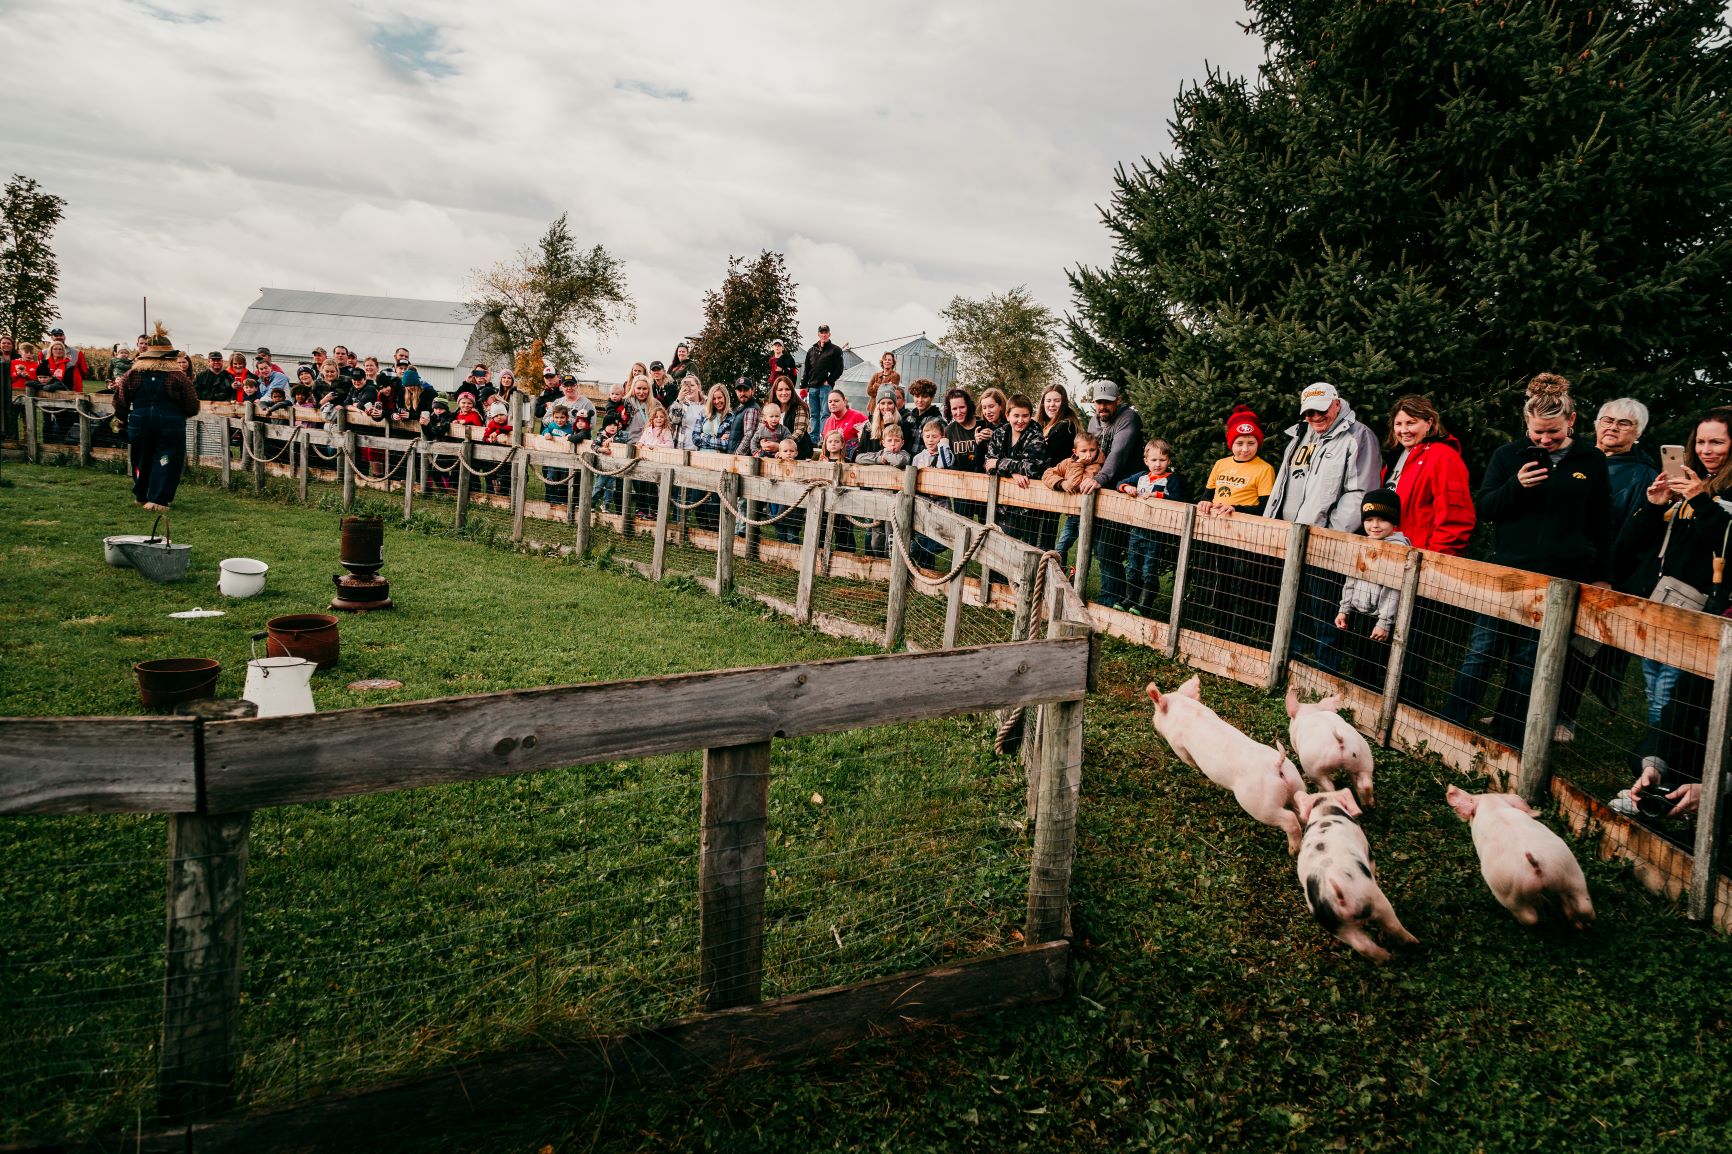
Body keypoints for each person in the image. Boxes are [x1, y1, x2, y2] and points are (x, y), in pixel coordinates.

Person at [1442, 374, 1612, 746]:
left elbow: (1601, 521)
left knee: (1528, 661)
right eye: (1537, 433)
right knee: (1481, 652)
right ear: (1526, 425)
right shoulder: (1508, 456)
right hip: (1507, 572)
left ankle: (1508, 735)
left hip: (1558, 579)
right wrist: (1516, 486)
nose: (1545, 440)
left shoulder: (1592, 460)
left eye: (1552, 432)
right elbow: (1485, 506)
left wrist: (1600, 574)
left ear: (1572, 420)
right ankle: (1451, 723)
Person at [1608, 406, 1732, 819]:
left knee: (1672, 699)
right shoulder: (1691, 485)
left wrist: (1702, 501)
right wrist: (1652, 504)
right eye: (1700, 441)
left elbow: (1728, 546)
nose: (1706, 449)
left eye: (1717, 441)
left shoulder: (1722, 494)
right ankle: (1663, 782)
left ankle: (1668, 790)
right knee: (1656, 691)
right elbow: (1630, 547)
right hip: (1662, 605)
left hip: (1703, 612)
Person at [1264, 381, 1383, 664]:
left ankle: (1325, 673)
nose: (1315, 418)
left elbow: (1359, 493)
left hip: (1324, 543)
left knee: (1324, 608)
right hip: (1291, 538)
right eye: (1309, 413)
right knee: (1293, 604)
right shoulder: (1300, 436)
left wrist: (1327, 534)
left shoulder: (1358, 436)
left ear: (1337, 404)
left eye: (1321, 411)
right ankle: (1288, 663)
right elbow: (1282, 484)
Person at [1331, 489, 1412, 690]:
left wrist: (1384, 622)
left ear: (1394, 522)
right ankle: (1358, 705)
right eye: (1369, 519)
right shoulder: (1363, 544)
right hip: (1361, 614)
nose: (1374, 525)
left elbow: (1395, 590)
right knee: (1360, 663)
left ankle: (1381, 711)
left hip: (1382, 620)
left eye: (1382, 520)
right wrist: (1344, 609)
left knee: (1381, 668)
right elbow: (1352, 578)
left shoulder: (1398, 550)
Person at [111, 326, 199, 510]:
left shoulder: (132, 374)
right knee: (166, 457)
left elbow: (120, 400)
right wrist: (180, 414)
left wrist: (123, 419)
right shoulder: (178, 377)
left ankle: (142, 495)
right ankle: (158, 499)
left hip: (140, 422)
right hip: (170, 424)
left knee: (142, 457)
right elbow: (192, 405)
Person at [1079, 381, 1146, 611]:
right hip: (1104, 490)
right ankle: (1112, 596)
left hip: (1126, 491)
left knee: (1109, 546)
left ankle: (1113, 599)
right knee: (1101, 546)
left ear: (1118, 400)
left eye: (1108, 402)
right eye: (1099, 402)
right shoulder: (1094, 421)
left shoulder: (1129, 418)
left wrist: (1097, 480)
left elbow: (1117, 454)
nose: (1103, 407)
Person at [1118, 439, 1187, 616]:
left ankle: (1144, 605)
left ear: (1169, 461)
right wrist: (1127, 488)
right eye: (1154, 460)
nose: (1157, 464)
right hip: (1137, 528)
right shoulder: (1141, 477)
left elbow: (1178, 500)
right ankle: (1130, 599)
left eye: (1162, 460)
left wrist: (1157, 495)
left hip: (1156, 532)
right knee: (1133, 565)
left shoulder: (1171, 480)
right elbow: (1119, 483)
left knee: (1149, 568)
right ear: (1146, 460)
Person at [984, 392, 1049, 546]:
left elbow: (1032, 468)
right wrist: (1013, 472)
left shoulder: (1036, 437)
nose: (1020, 421)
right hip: (1003, 504)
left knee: (1029, 552)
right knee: (1001, 549)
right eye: (1016, 416)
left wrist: (1000, 463)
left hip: (1030, 506)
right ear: (1007, 415)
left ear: (1030, 416)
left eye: (1025, 416)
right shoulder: (999, 434)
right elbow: (988, 464)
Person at [802, 325, 845, 418]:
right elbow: (807, 369)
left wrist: (829, 381)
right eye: (822, 332)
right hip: (812, 387)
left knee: (825, 414)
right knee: (813, 414)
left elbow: (839, 369)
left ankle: (824, 433)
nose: (824, 335)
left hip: (825, 387)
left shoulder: (836, 350)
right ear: (818, 334)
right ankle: (814, 433)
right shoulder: (811, 350)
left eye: (826, 332)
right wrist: (804, 385)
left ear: (829, 334)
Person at [767, 375, 812, 458]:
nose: (784, 393)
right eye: (780, 390)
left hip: (797, 451)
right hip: (774, 450)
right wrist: (763, 441)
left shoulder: (801, 407)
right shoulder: (770, 407)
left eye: (787, 389)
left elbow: (799, 432)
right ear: (775, 392)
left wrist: (781, 446)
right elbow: (762, 427)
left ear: (792, 391)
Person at [821, 388, 865, 459]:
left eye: (836, 401)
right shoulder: (828, 421)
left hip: (853, 462)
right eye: (830, 401)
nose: (832, 403)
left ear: (844, 402)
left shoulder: (858, 417)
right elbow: (824, 446)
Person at [725, 377, 762, 454]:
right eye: (740, 390)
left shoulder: (751, 409)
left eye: (746, 390)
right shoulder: (740, 408)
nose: (742, 393)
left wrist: (736, 455)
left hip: (740, 460)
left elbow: (749, 436)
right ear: (736, 391)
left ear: (753, 390)